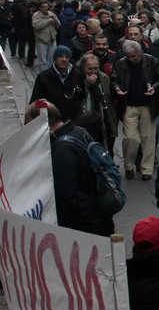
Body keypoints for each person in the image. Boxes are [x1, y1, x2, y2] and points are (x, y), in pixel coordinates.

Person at [25, 100, 114, 237]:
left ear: (40, 124)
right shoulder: (78, 132)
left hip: (83, 227)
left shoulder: (61, 150)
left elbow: (66, 198)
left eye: (28, 125)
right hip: (97, 217)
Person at [112, 40, 159, 181]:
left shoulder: (152, 61)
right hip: (129, 105)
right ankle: (129, 165)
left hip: (148, 104)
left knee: (148, 138)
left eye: (133, 56)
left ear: (140, 53)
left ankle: (146, 169)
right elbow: (114, 79)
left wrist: (154, 87)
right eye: (128, 56)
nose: (131, 59)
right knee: (131, 138)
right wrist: (117, 88)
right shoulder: (120, 64)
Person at [30, 44, 86, 123]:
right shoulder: (43, 77)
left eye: (66, 57)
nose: (64, 60)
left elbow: (82, 97)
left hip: (73, 121)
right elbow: (35, 102)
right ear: (55, 59)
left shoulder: (78, 75)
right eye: (60, 57)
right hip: (52, 121)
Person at [79, 52, 119, 153]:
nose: (93, 72)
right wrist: (88, 83)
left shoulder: (104, 78)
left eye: (95, 68)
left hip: (102, 118)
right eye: (90, 69)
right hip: (85, 119)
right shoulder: (78, 78)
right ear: (83, 68)